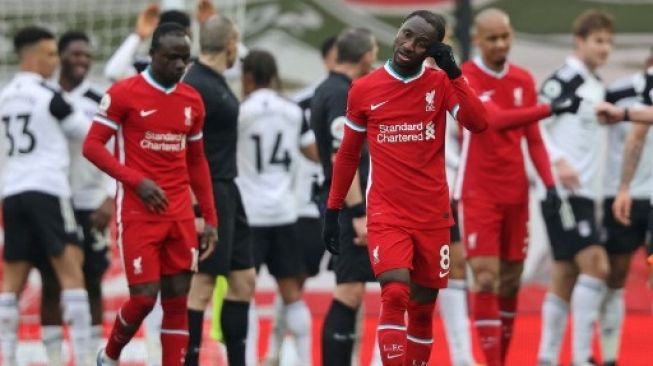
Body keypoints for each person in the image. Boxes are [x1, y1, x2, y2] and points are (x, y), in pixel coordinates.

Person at [325, 10, 488, 366]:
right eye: (406, 34)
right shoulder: (364, 89)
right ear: (398, 31)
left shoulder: (440, 84)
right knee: (395, 291)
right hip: (387, 213)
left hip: (432, 215)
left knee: (422, 308)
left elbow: (479, 122)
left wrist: (455, 73)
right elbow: (348, 154)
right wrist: (333, 209)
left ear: (432, 50)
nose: (408, 46)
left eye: (421, 43)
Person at [84, 22, 218, 366]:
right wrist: (135, 181)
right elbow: (93, 146)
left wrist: (210, 218)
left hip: (180, 214)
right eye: (172, 57)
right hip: (138, 211)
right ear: (153, 55)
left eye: (185, 59)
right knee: (144, 298)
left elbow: (197, 162)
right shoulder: (125, 93)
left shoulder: (192, 100)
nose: (179, 66)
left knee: (177, 300)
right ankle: (110, 355)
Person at [455, 9, 581, 365]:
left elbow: (534, 139)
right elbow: (492, 121)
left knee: (510, 282)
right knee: (484, 277)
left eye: (505, 37)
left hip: (516, 193)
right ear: (478, 39)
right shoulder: (466, 76)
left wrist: (550, 184)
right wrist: (548, 108)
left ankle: (502, 359)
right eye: (492, 38)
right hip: (478, 191)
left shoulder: (523, 79)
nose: (500, 44)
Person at [0, 26, 93, 366]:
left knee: (11, 282)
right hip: (49, 190)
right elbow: (86, 133)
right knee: (72, 272)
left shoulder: (5, 95)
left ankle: (7, 358)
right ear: (34, 56)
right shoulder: (50, 96)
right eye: (52, 54)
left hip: (12, 192)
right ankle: (82, 358)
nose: (56, 61)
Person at [536, 9, 614, 366]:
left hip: (585, 194)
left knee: (565, 274)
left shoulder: (597, 85)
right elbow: (533, 123)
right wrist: (556, 161)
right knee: (597, 265)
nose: (605, 48)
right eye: (599, 41)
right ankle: (582, 356)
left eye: (609, 42)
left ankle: (547, 357)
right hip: (563, 193)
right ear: (579, 41)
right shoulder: (565, 79)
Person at [32, 30, 114, 365]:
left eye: (86, 55)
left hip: (89, 201)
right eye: (75, 54)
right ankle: (53, 358)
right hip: (52, 201)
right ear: (58, 56)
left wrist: (110, 196)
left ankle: (92, 355)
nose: (82, 60)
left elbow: (117, 150)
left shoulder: (99, 100)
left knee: (92, 281)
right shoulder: (42, 96)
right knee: (50, 282)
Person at [236, 49, 320, 366]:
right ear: (273, 75)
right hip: (285, 213)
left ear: (247, 77)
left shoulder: (240, 112)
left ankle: (244, 358)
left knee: (242, 293)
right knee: (292, 294)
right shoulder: (293, 110)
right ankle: (306, 359)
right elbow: (312, 153)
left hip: (250, 214)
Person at [181, 15, 256, 366]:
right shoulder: (195, 84)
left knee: (244, 279)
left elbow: (242, 54)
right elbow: (183, 150)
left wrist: (212, 24)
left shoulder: (214, 78)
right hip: (206, 193)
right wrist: (196, 208)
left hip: (228, 189)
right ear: (229, 45)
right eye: (234, 44)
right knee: (203, 285)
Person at [263, 35, 335, 366]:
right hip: (308, 208)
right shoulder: (301, 103)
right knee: (294, 281)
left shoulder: (366, 98)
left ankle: (357, 353)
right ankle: (275, 349)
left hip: (351, 207)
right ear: (326, 59)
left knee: (355, 285)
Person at [311, 27, 378, 366]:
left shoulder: (329, 89)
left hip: (342, 204)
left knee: (354, 290)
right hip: (347, 208)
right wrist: (357, 214)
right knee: (349, 291)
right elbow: (341, 158)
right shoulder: (340, 94)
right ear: (366, 55)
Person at [593, 61, 653, 366]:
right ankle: (608, 356)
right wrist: (623, 186)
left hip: (626, 196)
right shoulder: (618, 91)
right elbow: (633, 137)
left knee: (627, 277)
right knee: (614, 276)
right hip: (623, 197)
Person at [103, 1, 243, 83]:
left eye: (181, 36)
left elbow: (244, 66)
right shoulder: (144, 65)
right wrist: (137, 36)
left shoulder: (201, 65)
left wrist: (215, 26)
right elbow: (113, 73)